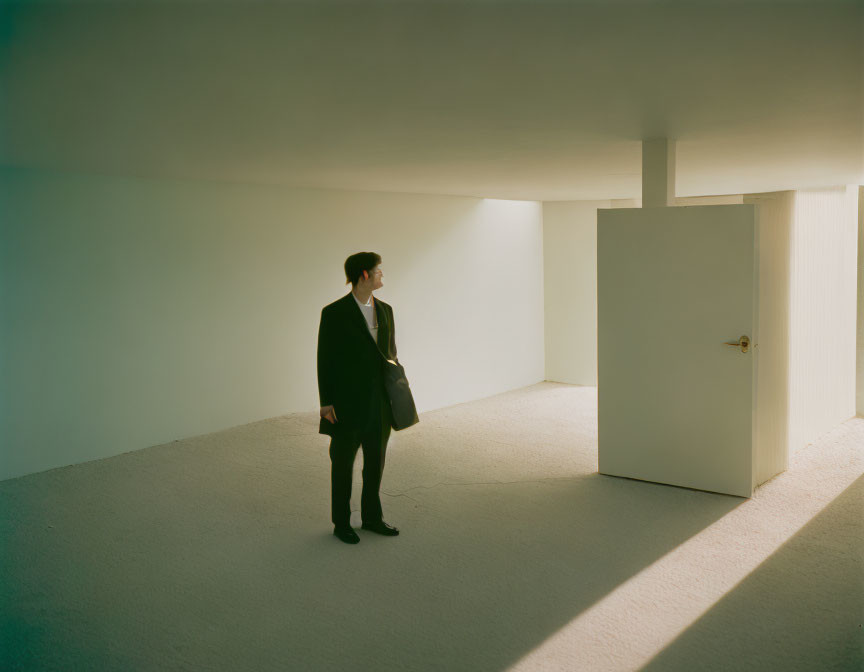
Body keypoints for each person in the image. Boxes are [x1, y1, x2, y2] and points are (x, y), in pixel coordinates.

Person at [317, 252, 400, 544]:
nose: (382, 276)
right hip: (346, 403)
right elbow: (324, 359)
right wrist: (325, 403)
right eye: (379, 271)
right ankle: (341, 523)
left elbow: (391, 355)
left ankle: (372, 518)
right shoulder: (334, 312)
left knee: (375, 464)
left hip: (379, 404)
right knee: (342, 466)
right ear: (364, 274)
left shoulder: (386, 310)